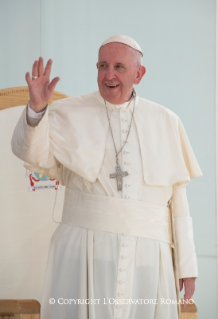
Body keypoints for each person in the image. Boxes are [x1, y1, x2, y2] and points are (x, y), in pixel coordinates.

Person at [11, 35, 202, 319]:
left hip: (148, 258)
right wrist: (37, 110)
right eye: (102, 65)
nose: (109, 74)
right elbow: (31, 154)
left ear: (139, 73)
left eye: (119, 67)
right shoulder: (68, 112)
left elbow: (179, 202)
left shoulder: (166, 121)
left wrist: (187, 265)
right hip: (81, 252)